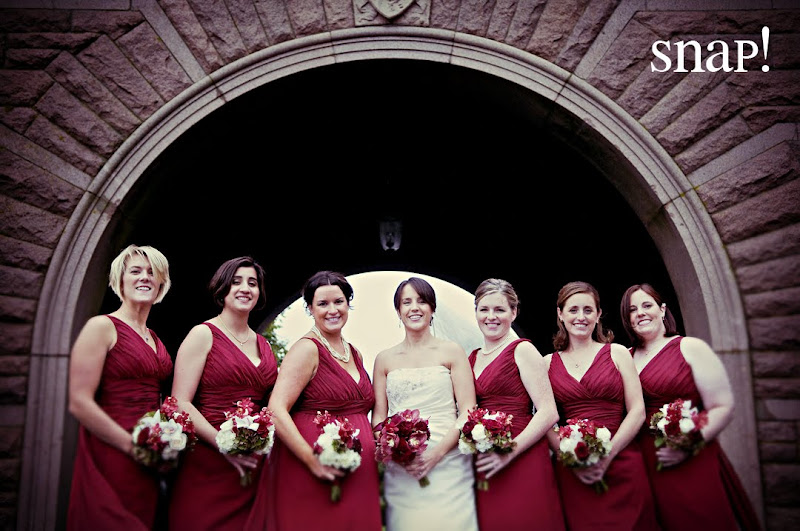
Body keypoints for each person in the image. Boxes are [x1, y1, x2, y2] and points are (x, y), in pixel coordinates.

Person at [246, 271, 381, 530]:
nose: (332, 310)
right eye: (322, 303)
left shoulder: (354, 353)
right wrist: (312, 460)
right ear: (310, 308)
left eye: (338, 301)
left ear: (348, 303)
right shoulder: (306, 349)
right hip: (315, 467)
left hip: (358, 472)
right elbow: (276, 409)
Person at [621, 283, 761, 530]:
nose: (640, 313)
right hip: (645, 464)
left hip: (690, 457)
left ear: (662, 309)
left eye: (647, 305)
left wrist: (688, 444)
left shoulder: (691, 348)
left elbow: (722, 406)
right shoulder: (625, 356)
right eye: (632, 309)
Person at [66, 244, 173, 530]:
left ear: (161, 282)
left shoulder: (154, 337)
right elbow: (79, 401)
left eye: (152, 272)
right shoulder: (101, 327)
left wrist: (167, 441)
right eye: (135, 271)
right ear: (120, 281)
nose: (144, 277)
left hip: (149, 457)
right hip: (113, 450)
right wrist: (132, 447)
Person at [168, 256, 278, 530]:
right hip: (208, 462)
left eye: (252, 283)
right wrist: (223, 445)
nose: (245, 288)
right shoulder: (202, 334)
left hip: (252, 465)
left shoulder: (264, 345)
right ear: (223, 287)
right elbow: (180, 402)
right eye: (236, 281)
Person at [544, 281, 657, 530]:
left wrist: (607, 456)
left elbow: (637, 410)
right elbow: (545, 418)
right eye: (573, 310)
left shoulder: (617, 353)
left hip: (621, 461)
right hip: (574, 470)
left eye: (588, 310)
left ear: (598, 315)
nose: (581, 317)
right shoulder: (546, 364)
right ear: (560, 314)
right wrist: (568, 456)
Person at [372, 277, 478, 531]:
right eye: (406, 302)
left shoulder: (452, 351)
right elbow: (378, 416)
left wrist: (436, 454)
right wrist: (394, 450)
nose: (414, 308)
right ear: (398, 311)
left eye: (421, 301)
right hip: (402, 468)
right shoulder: (384, 359)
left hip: (448, 461)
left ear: (432, 308)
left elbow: (468, 410)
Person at [468, 279, 565, 531]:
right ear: (476, 312)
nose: (491, 317)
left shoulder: (522, 350)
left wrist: (509, 451)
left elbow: (548, 412)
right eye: (484, 309)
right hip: (487, 458)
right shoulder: (472, 358)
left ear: (513, 313)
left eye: (499, 309)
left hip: (522, 454)